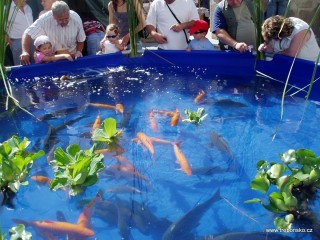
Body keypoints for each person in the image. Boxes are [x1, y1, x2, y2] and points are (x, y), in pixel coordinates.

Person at [20, 1, 86, 65]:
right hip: (52, 59)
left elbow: (81, 39)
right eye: (60, 19)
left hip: (73, 58)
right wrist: (25, 52)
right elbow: (27, 33)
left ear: (68, 13)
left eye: (66, 18)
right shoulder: (44, 19)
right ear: (53, 16)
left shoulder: (76, 18)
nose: (64, 21)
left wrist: (79, 51)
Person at [6, 0, 34, 66]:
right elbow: (2, 29)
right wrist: (11, 43)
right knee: (21, 66)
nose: (25, 1)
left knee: (35, 63)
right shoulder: (7, 10)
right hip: (17, 42)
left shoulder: (28, 7)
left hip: (32, 39)